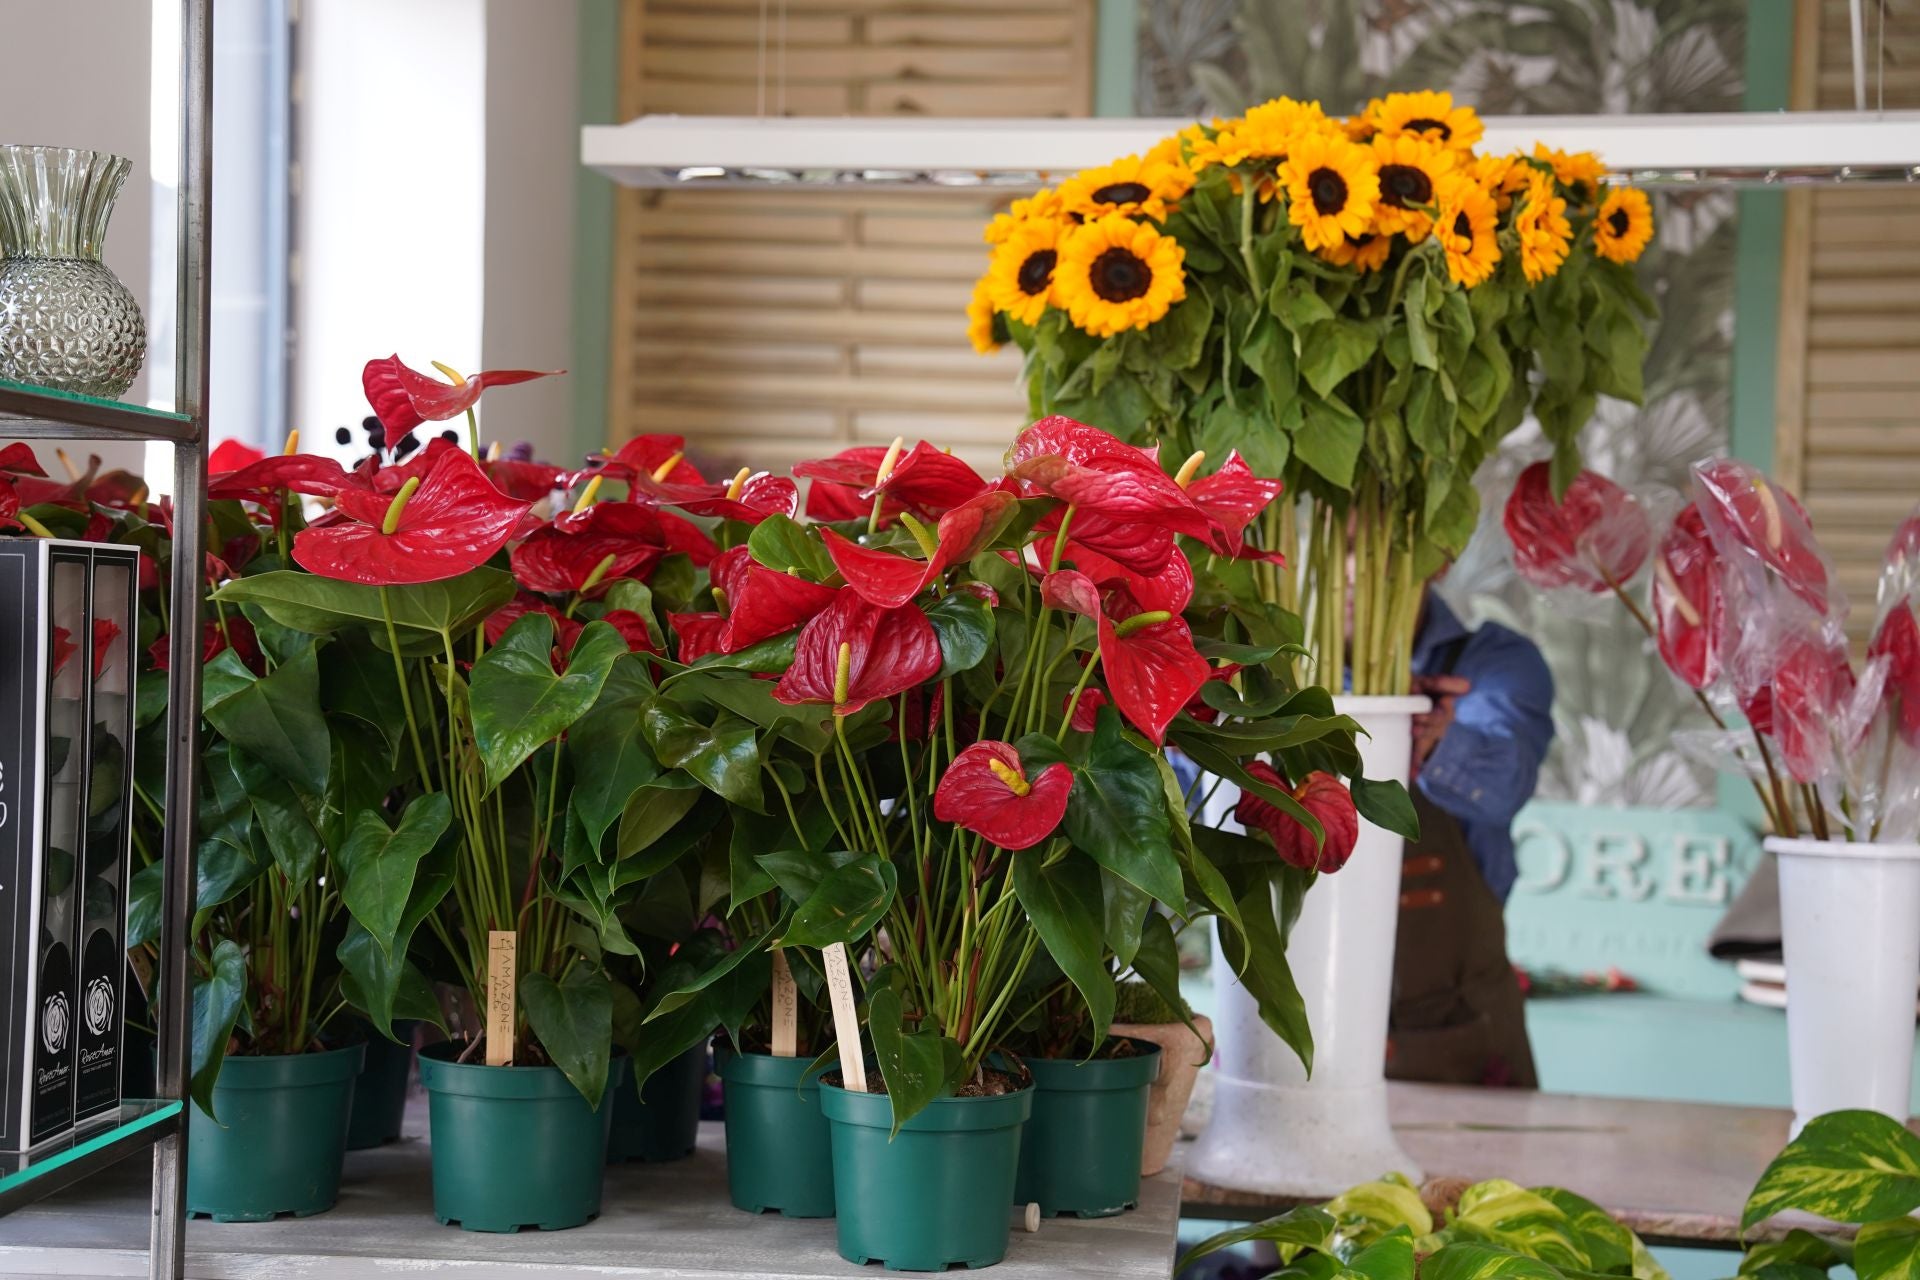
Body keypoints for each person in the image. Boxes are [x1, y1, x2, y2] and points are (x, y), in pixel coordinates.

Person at [1387, 587, 1554, 1088]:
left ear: (1437, 555)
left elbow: (1504, 787)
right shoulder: (1268, 665)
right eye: (1340, 544)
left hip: (1458, 1031)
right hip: (1291, 1027)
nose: (1352, 570)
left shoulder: (1491, 664)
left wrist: (1430, 735)